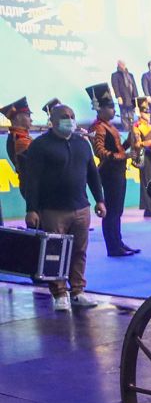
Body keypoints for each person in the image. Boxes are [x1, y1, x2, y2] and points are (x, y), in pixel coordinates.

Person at [22, 104, 105, 311]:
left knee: (79, 251)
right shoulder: (40, 146)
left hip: (81, 208)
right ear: (53, 120)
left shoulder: (82, 144)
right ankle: (59, 294)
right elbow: (32, 180)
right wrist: (31, 209)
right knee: (54, 252)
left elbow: (93, 174)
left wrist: (100, 200)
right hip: (52, 210)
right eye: (64, 116)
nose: (69, 119)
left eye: (72, 116)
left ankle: (77, 291)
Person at [88, 83, 139, 256]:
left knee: (117, 210)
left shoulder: (109, 125)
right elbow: (100, 152)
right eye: (110, 107)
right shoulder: (98, 128)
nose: (113, 110)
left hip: (117, 171)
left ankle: (118, 242)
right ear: (101, 109)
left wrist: (129, 142)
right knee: (111, 210)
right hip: (109, 172)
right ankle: (113, 246)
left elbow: (118, 150)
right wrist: (126, 155)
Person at [2, 97, 33, 208]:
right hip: (33, 186)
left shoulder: (21, 136)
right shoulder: (19, 139)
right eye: (28, 115)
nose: (31, 120)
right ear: (19, 117)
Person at [134, 96, 151, 217]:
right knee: (147, 182)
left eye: (149, 111)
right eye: (145, 111)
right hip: (144, 155)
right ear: (139, 112)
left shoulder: (150, 126)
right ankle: (149, 208)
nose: (148, 114)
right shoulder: (137, 126)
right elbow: (136, 144)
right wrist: (148, 143)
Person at [110, 60, 138, 127]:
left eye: (123, 64)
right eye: (121, 64)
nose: (122, 65)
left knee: (131, 114)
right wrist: (118, 97)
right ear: (118, 65)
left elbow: (134, 86)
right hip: (123, 97)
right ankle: (126, 129)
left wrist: (136, 97)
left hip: (131, 97)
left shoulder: (130, 75)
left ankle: (132, 129)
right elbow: (115, 86)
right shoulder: (115, 75)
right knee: (124, 114)